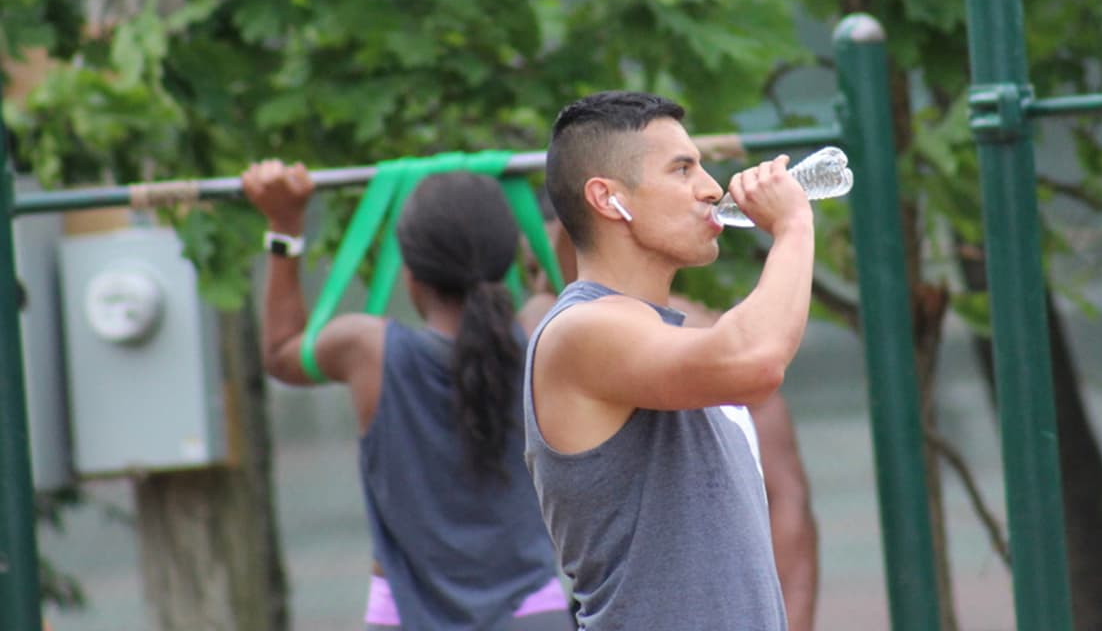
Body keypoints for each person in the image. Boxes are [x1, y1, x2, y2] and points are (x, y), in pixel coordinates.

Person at [524, 90, 816, 630]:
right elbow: (756, 360)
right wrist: (794, 226)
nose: (711, 189)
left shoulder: (667, 336)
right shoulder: (582, 330)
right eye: (682, 170)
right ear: (608, 198)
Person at [241, 160, 573, 631]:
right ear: (508, 262)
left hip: (403, 616)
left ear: (410, 274)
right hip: (532, 616)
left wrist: (285, 225)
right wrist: (569, 209)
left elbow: (280, 354)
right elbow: (579, 292)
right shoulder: (543, 329)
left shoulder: (369, 350)